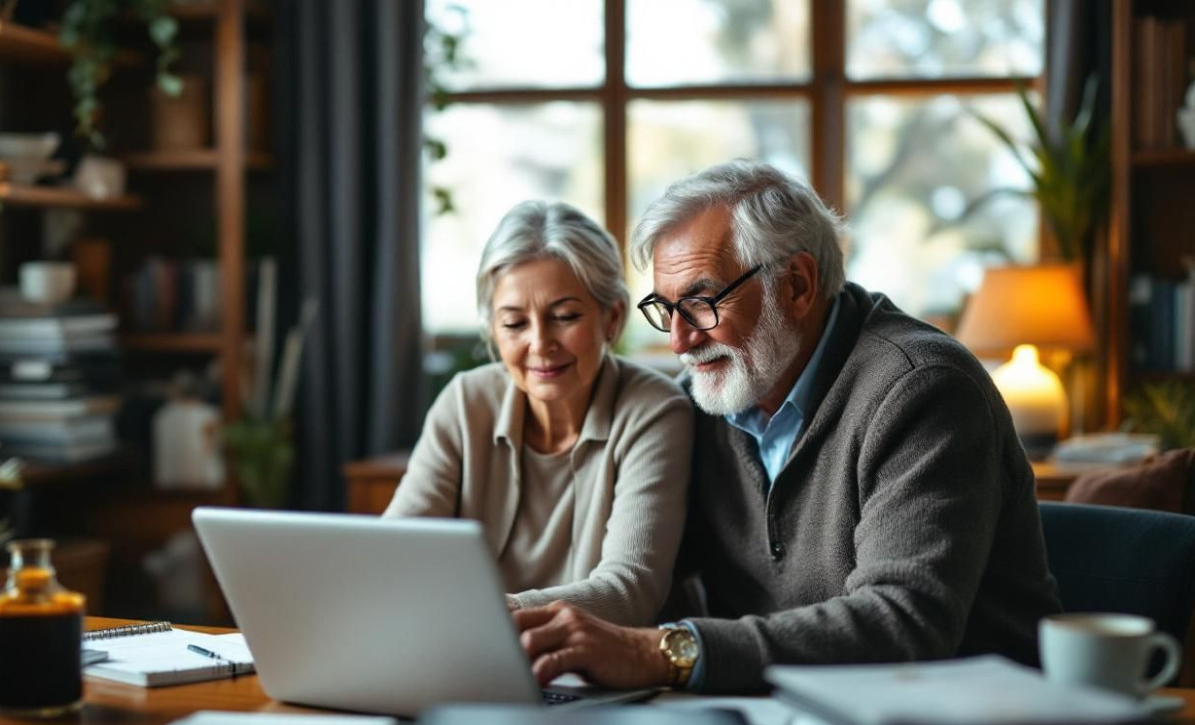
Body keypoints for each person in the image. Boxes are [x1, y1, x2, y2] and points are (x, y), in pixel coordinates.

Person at [515, 161, 1062, 693]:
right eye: (666, 308)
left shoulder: (923, 390)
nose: (679, 341)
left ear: (797, 285)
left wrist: (658, 653)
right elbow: (639, 574)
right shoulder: (704, 404)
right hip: (779, 723)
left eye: (701, 303)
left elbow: (904, 623)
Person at [385, 200, 693, 626]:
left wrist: (487, 614)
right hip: (472, 655)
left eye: (565, 316)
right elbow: (395, 551)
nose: (540, 343)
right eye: (514, 324)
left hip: (609, 672)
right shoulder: (465, 402)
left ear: (613, 318)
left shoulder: (655, 411)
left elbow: (631, 590)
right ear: (491, 329)